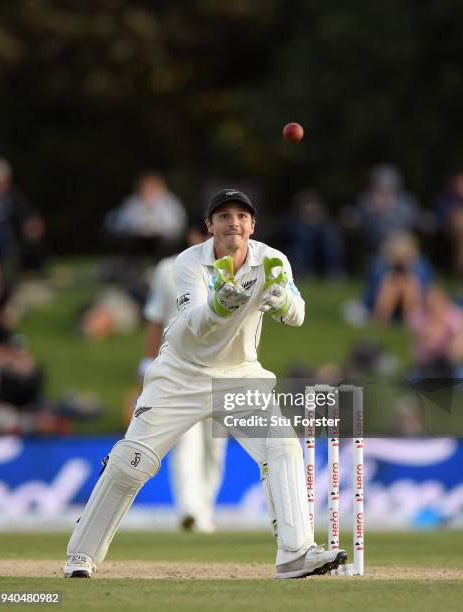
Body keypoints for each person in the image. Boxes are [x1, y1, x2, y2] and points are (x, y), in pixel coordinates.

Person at [64, 188, 347, 579]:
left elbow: (297, 315)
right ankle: (81, 555)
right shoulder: (188, 264)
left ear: (252, 225)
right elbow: (191, 328)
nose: (234, 222)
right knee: (132, 462)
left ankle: (295, 554)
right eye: (225, 215)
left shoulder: (272, 260)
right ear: (209, 225)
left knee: (283, 447)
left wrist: (281, 300)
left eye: (242, 216)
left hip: (239, 376)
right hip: (180, 375)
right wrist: (218, 306)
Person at [139, 223, 227, 533]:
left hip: (223, 368)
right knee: (186, 439)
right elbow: (154, 320)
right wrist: (146, 364)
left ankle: (204, 509)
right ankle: (189, 509)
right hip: (180, 368)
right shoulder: (167, 269)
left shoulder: (232, 269)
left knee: (214, 446)